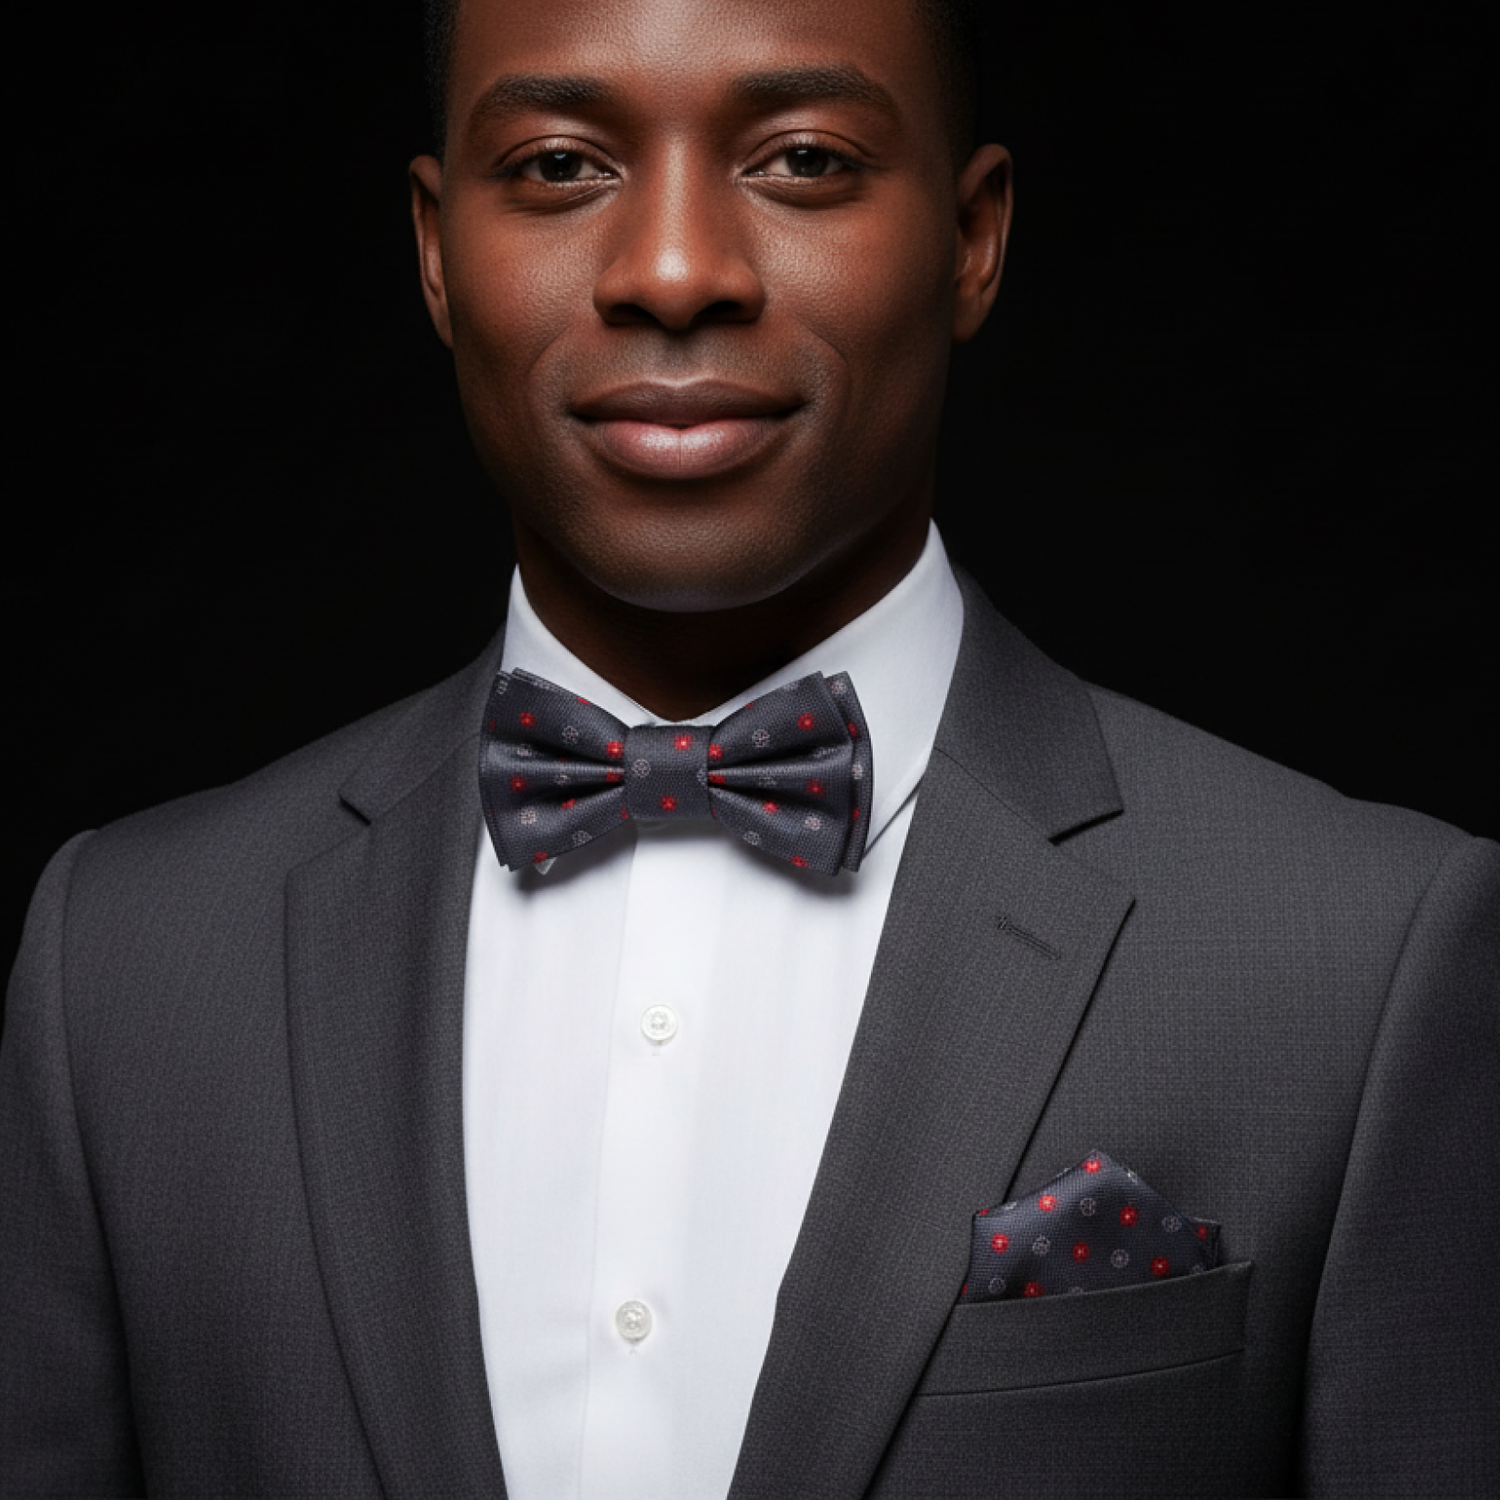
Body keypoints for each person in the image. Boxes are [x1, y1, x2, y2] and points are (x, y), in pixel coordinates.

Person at [2, 0, 1496, 1495]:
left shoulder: (1366, 966)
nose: (672, 272)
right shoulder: (121, 973)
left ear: (972, 238)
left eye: (801, 159)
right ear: (436, 247)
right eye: (559, 167)